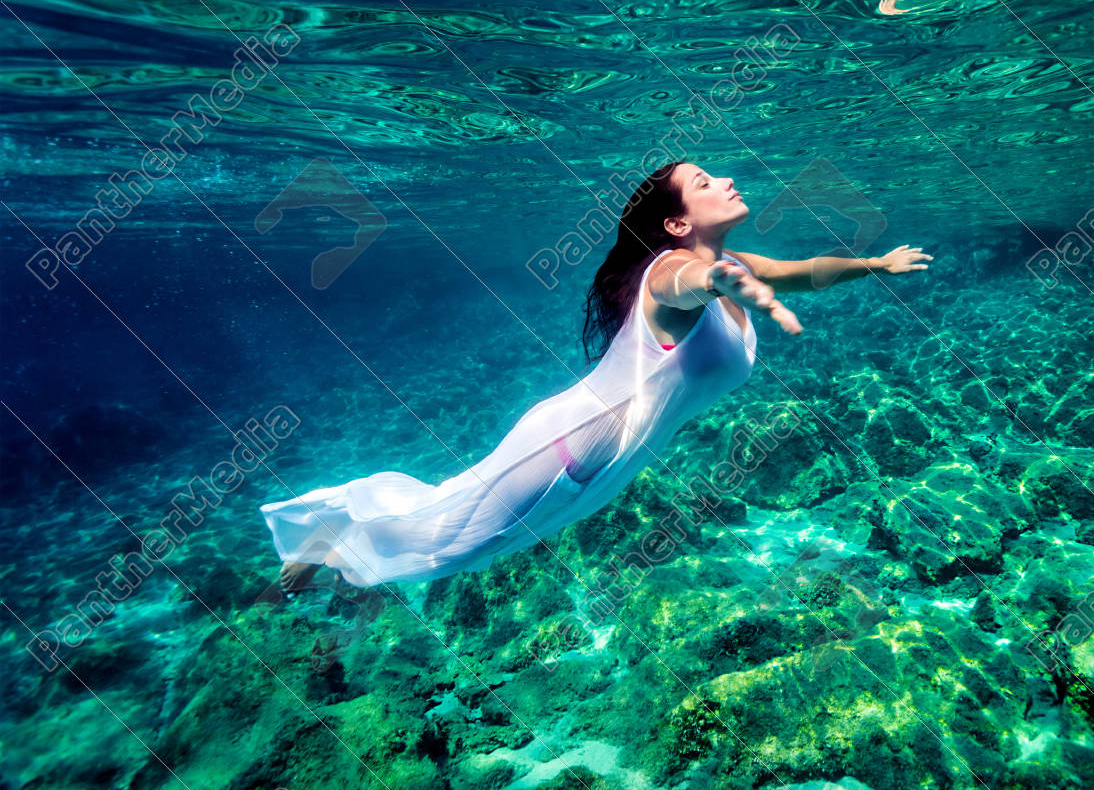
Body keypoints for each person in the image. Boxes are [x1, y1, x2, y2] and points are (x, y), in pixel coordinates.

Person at [265, 161, 930, 593]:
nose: (725, 180)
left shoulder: (742, 263)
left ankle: (325, 551)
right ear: (676, 224)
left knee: (451, 535)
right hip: (561, 449)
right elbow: (689, 282)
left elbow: (807, 271)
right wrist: (717, 278)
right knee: (440, 547)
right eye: (703, 183)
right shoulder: (668, 274)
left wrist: (877, 262)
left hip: (606, 470)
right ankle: (314, 547)